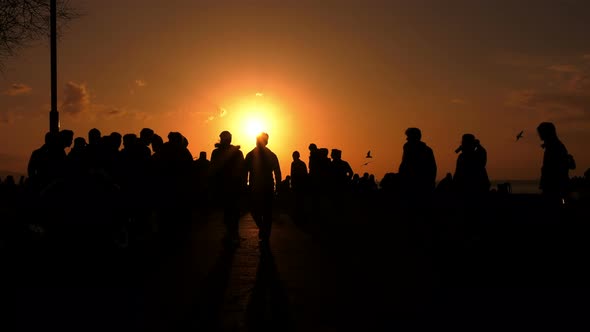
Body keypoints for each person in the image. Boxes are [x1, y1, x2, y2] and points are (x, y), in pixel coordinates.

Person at [244, 132, 281, 247]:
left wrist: (278, 186)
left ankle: (265, 234)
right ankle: (263, 229)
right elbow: (245, 172)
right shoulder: (251, 155)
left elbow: (277, 172)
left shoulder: (270, 155)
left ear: (265, 142)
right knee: (256, 211)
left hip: (264, 187)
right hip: (257, 187)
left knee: (266, 212)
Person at [210, 131, 245, 246]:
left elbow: (213, 171)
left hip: (226, 187)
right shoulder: (238, 153)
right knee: (232, 211)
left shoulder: (216, 153)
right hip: (231, 187)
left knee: (229, 211)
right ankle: (232, 233)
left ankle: (231, 233)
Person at [537, 122, 572, 201]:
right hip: (553, 184)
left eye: (541, 132)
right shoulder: (554, 145)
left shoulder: (554, 147)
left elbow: (554, 167)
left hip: (554, 185)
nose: (539, 135)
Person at [398, 128, 437, 197]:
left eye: (408, 136)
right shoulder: (407, 147)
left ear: (414, 137)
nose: (407, 139)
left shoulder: (426, 150)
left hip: (420, 185)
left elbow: (432, 169)